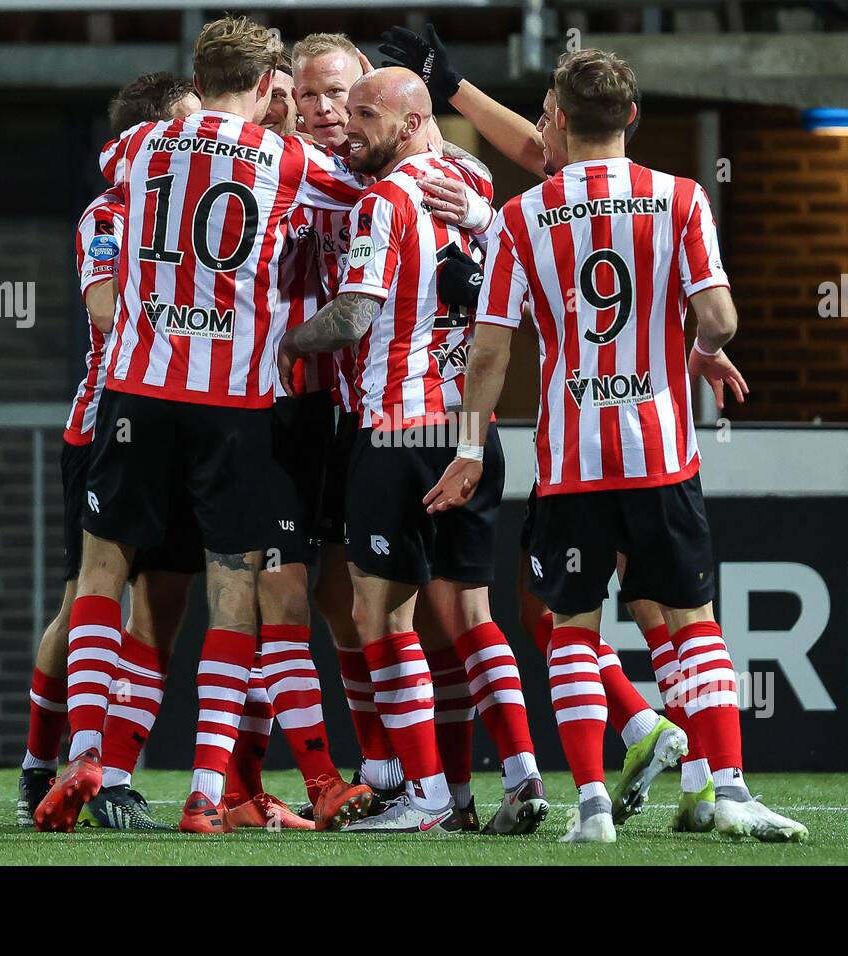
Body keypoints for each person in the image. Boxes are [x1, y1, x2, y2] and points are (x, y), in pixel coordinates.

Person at [424, 49, 808, 845]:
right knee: (695, 619)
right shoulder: (680, 200)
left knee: (573, 629)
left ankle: (593, 809)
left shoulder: (521, 217)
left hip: (571, 464)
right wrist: (701, 345)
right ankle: (729, 790)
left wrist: (467, 448)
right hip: (660, 456)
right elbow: (722, 322)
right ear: (632, 118)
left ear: (557, 119)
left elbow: (490, 350)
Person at [34, 15, 372, 835]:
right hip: (233, 407)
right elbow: (368, 194)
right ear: (266, 87)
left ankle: (84, 749)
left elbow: (116, 187)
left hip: (138, 396)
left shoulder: (139, 150)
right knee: (233, 597)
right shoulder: (292, 160)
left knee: (102, 574)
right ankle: (204, 792)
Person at [277, 67, 547, 836]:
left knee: (380, 619)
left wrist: (287, 342)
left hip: (397, 430)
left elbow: (357, 314)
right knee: (471, 616)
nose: (347, 125)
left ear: (407, 121)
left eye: (364, 113)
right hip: (468, 433)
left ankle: (423, 794)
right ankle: (523, 773)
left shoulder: (384, 199)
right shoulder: (468, 178)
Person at [17, 72, 203, 832]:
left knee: (164, 601)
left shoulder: (196, 210)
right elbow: (101, 306)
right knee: (84, 597)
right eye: (191, 127)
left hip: (187, 423)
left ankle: (112, 776)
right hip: (108, 425)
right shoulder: (113, 212)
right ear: (156, 135)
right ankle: (41, 764)